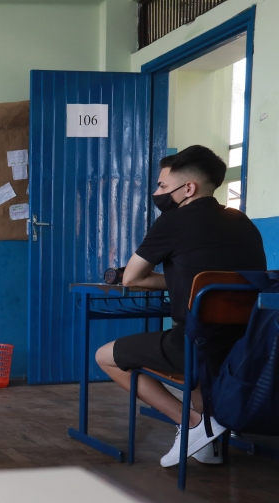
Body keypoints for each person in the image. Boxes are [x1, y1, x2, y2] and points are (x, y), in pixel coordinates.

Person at [95, 145, 266, 467]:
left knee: (105, 357)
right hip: (245, 344)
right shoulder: (242, 222)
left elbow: (131, 277)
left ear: (188, 188)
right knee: (199, 367)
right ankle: (209, 445)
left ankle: (192, 424)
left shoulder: (173, 222)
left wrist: (137, 277)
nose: (157, 193)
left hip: (194, 343)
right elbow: (213, 280)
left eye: (162, 186)